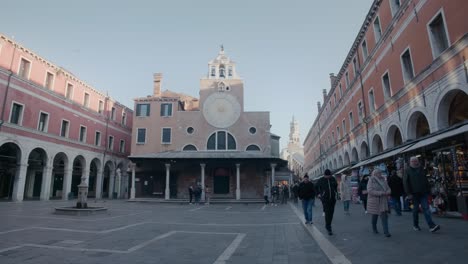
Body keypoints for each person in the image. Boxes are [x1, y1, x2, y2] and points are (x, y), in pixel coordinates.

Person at [403, 156, 440, 233]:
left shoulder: (421, 168)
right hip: (414, 194)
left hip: (423, 192)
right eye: (413, 161)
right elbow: (405, 182)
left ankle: (431, 226)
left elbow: (425, 180)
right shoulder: (407, 170)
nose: (415, 162)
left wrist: (428, 190)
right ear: (410, 162)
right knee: (415, 210)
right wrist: (408, 193)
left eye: (416, 161)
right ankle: (415, 225)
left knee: (426, 208)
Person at [367, 168, 392, 237]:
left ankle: (386, 232)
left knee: (384, 216)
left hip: (383, 201)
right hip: (375, 201)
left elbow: (388, 188)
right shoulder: (371, 180)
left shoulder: (383, 179)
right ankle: (374, 228)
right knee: (375, 216)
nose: (380, 174)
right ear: (374, 174)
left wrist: (389, 191)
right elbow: (370, 190)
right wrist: (381, 193)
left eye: (380, 173)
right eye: (378, 173)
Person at [316, 169, 338, 235]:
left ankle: (328, 224)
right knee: (328, 213)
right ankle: (328, 227)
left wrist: (335, 192)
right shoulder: (321, 180)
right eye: (327, 176)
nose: (328, 177)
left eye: (329, 175)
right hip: (325, 199)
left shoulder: (333, 179)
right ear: (324, 175)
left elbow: (335, 186)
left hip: (333, 199)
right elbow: (316, 187)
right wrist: (318, 194)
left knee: (331, 213)